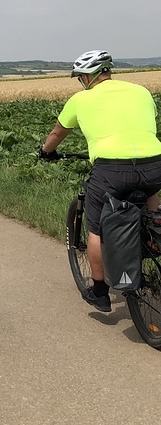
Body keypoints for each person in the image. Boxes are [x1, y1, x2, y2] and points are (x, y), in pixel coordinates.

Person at [39, 50, 161, 312]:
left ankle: (100, 291)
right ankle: (152, 236)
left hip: (111, 169)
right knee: (150, 189)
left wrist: (46, 152)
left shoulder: (80, 99)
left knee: (96, 228)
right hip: (155, 162)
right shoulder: (141, 92)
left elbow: (57, 133)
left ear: (87, 77)